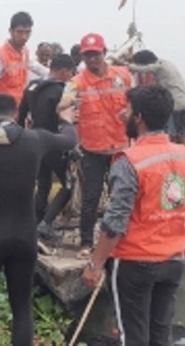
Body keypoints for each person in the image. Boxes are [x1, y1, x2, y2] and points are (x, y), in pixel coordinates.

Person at [82, 84, 185, 346]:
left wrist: (95, 264)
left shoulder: (130, 161)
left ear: (139, 117)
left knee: (132, 337)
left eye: (128, 109)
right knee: (160, 335)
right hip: (174, 259)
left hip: (135, 262)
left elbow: (115, 222)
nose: (124, 113)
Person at [0, 94, 78, 345]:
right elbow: (70, 140)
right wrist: (65, 119)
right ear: (16, 115)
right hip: (25, 236)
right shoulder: (36, 139)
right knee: (22, 307)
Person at [59, 33, 132, 258]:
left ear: (104, 52)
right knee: (90, 198)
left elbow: (135, 100)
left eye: (96, 54)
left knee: (123, 195)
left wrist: (129, 112)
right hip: (93, 150)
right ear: (82, 57)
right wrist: (69, 105)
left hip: (121, 150)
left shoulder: (123, 75)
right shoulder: (76, 82)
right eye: (88, 55)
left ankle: (125, 236)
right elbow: (62, 105)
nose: (92, 59)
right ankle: (86, 243)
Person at [17, 54, 77, 238]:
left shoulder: (32, 87)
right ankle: (46, 223)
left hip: (35, 142)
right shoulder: (60, 92)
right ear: (65, 72)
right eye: (71, 73)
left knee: (43, 184)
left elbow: (21, 116)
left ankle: (35, 224)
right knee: (69, 184)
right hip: (55, 143)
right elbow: (64, 120)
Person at [128, 50, 185, 149]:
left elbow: (143, 69)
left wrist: (125, 65)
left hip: (175, 104)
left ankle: (173, 158)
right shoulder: (168, 63)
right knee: (184, 134)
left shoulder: (158, 66)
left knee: (170, 135)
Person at [0, 12, 49, 109]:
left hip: (19, 109)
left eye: (28, 32)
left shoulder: (25, 52)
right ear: (11, 31)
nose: (24, 36)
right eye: (20, 32)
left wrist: (56, 75)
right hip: (2, 111)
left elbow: (36, 67)